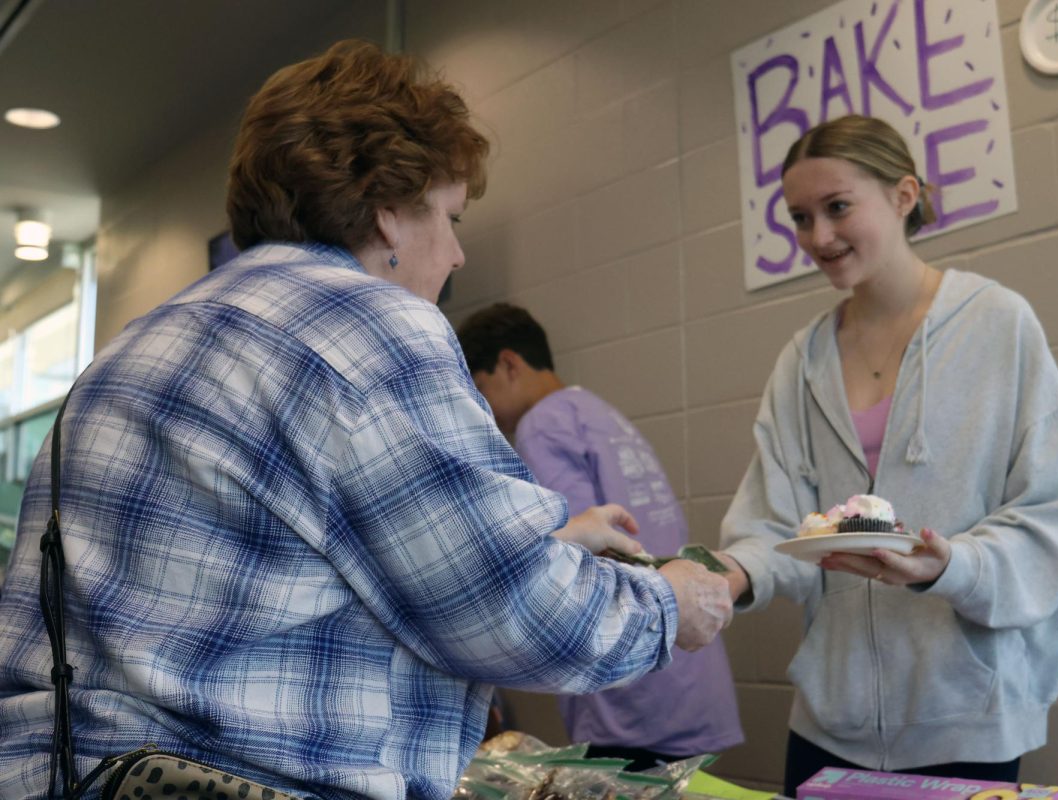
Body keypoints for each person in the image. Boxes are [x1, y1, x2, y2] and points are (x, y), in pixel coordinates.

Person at [0, 40, 733, 800]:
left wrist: (551, 539)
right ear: (388, 211)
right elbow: (514, 611)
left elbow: (265, 577)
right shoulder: (369, 323)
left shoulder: (132, 347)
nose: (453, 254)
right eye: (448, 216)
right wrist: (671, 602)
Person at [713, 115, 1058, 793]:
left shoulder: (998, 324)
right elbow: (775, 524)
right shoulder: (802, 359)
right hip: (829, 724)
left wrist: (953, 564)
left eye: (837, 208)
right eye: (800, 218)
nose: (818, 238)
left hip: (965, 715)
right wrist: (724, 576)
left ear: (903, 194)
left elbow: (1050, 513)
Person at [456, 303, 745, 771]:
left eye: (481, 389)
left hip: (636, 688)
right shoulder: (597, 411)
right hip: (689, 672)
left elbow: (574, 557)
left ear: (509, 364)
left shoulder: (541, 425)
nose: (485, 411)